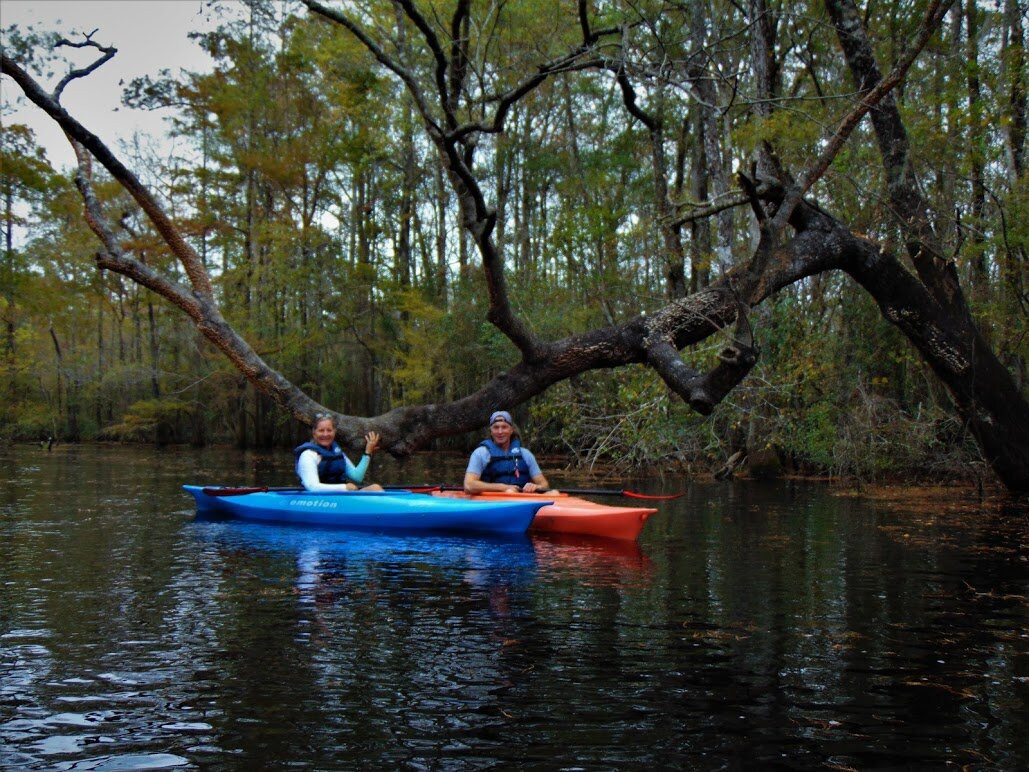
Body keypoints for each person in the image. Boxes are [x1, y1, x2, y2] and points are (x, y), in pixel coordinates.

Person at [464, 410, 553, 493]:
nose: (500, 431)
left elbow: (544, 485)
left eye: (504, 427)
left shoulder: (526, 454)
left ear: (511, 430)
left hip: (521, 500)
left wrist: (536, 487)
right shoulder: (480, 453)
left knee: (554, 493)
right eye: (496, 427)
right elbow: (468, 485)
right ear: (491, 431)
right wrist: (503, 487)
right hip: (491, 501)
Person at [294, 413, 384, 492]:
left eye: (329, 430)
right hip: (316, 500)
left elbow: (357, 477)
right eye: (321, 430)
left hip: (340, 498)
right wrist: (345, 487)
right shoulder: (308, 455)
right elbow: (312, 487)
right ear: (314, 433)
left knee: (376, 488)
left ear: (334, 432)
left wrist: (368, 452)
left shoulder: (338, 454)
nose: (325, 434)